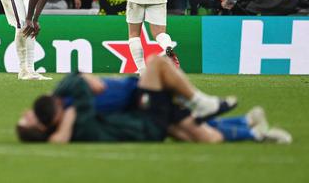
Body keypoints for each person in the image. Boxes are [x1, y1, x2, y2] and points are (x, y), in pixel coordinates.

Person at [16, 56, 248, 143]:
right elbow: (88, 85)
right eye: (27, 119)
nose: (26, 113)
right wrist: (82, 78)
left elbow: (78, 82)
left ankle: (247, 128)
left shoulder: (61, 101)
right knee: (158, 63)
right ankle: (202, 103)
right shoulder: (75, 109)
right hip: (142, 102)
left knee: (196, 133)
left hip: (138, 100)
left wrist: (78, 78)